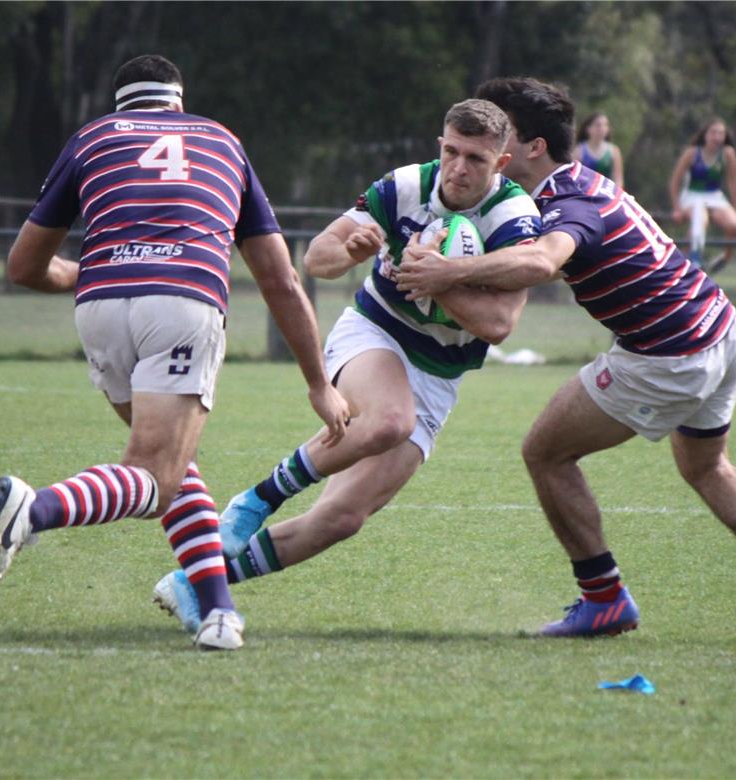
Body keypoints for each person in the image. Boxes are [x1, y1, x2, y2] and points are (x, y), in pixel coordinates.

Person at [396, 77, 736, 647]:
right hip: (721, 326)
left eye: (503, 135)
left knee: (545, 451)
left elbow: (546, 260)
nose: (490, 146)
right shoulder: (586, 181)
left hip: (670, 352)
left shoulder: (564, 202)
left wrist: (449, 273)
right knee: (705, 466)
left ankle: (604, 599)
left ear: (533, 147)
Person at [0, 54, 350, 652]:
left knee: (171, 464)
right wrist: (319, 382)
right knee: (156, 476)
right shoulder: (221, 140)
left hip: (100, 307)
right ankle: (33, 509)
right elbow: (280, 280)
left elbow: (22, 267)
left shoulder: (89, 139)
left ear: (121, 103)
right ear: (179, 100)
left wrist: (81, 271)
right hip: (183, 300)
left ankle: (218, 611)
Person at [150, 99, 542, 633]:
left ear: (499, 163)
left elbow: (499, 325)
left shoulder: (514, 218)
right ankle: (256, 501)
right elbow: (318, 258)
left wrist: (440, 279)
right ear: (440, 146)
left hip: (438, 375)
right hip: (373, 332)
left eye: (475, 157)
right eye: (451, 151)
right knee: (387, 421)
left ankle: (196, 584)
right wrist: (354, 251)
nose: (458, 168)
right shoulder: (405, 186)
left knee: (341, 519)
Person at [667, 118, 736, 275]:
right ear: (705, 135)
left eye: (721, 133)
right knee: (700, 218)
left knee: (734, 224)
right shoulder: (692, 153)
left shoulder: (727, 154)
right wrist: (676, 208)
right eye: (713, 132)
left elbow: (733, 183)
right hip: (692, 196)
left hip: (714, 196)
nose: (717, 137)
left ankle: (725, 258)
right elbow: (675, 181)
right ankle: (694, 259)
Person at [575, 112, 624, 190]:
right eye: (598, 125)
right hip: (585, 194)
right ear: (588, 129)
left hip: (606, 194)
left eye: (605, 125)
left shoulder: (614, 151)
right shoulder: (578, 151)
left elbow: (618, 180)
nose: (602, 128)